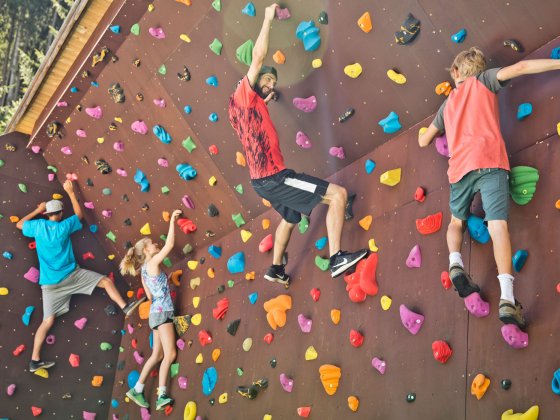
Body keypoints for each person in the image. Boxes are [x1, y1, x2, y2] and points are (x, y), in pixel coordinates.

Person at [418, 47, 560, 329]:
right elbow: (520, 69)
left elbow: (424, 141)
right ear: (478, 70)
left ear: (456, 72)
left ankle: (455, 262)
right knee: (497, 227)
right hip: (489, 161)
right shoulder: (484, 80)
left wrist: (434, 127)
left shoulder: (447, 105)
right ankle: (507, 298)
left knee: (456, 222)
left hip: (458, 170)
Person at [228, 3, 367, 285]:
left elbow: (255, 122)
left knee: (290, 219)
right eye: (267, 80)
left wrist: (265, 100)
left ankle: (276, 268)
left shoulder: (244, 108)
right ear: (253, 81)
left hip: (260, 181)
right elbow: (257, 57)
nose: (269, 85)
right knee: (337, 195)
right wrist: (267, 20)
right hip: (274, 177)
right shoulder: (243, 95)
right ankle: (337, 257)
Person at [16, 180, 144, 373]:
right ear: (59, 214)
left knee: (47, 321)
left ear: (46, 214)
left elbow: (19, 224)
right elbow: (79, 215)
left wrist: (37, 210)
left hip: (50, 285)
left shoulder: (38, 227)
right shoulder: (64, 227)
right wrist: (69, 191)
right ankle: (125, 307)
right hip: (71, 276)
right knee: (105, 281)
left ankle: (35, 360)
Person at [120, 209, 182, 411]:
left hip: (155, 313)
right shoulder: (153, 263)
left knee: (156, 355)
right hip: (163, 312)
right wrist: (173, 219)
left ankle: (138, 389)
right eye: (153, 243)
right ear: (146, 250)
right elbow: (170, 244)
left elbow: (149, 296)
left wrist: (166, 282)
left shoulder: (144, 272)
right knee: (170, 354)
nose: (156, 244)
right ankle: (162, 394)